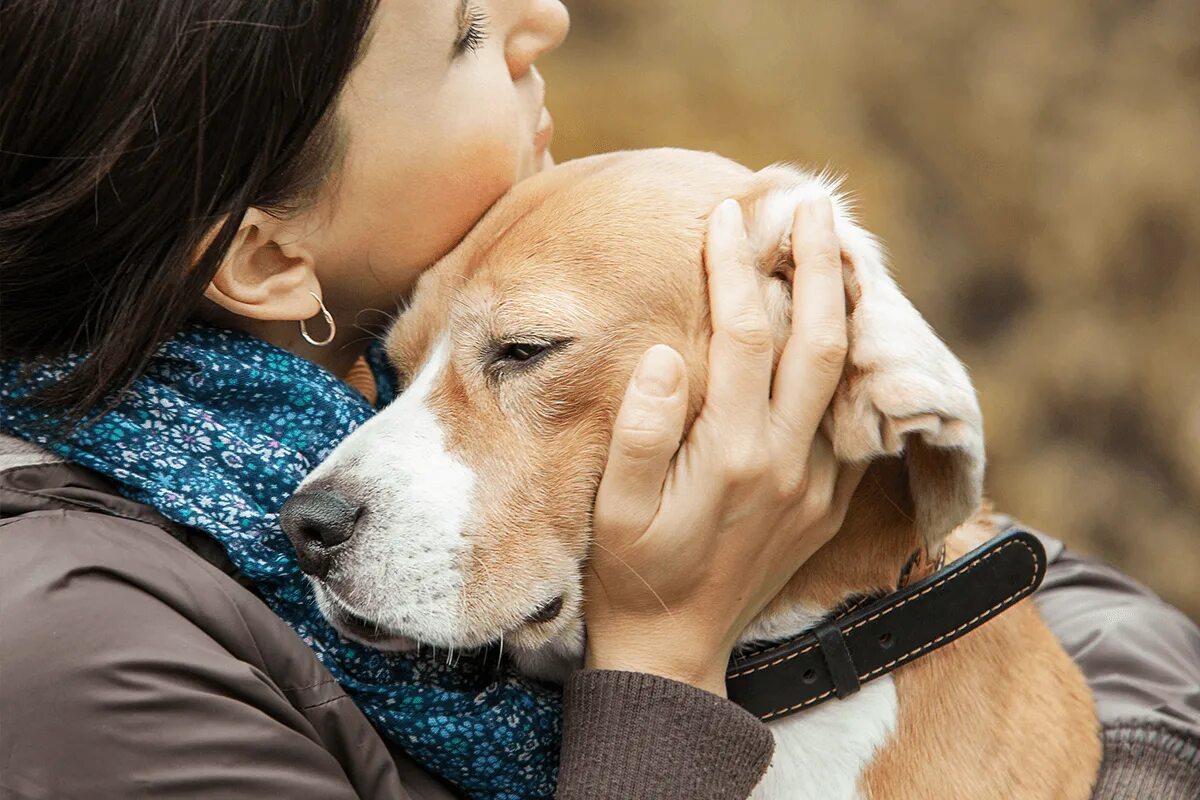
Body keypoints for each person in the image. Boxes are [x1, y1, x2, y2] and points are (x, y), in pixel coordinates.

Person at [0, 2, 1195, 799]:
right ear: (266, 260)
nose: (546, 18)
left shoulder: (341, 390)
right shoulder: (80, 653)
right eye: (464, 33)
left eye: (512, 352)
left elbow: (1032, 581)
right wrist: (665, 658)